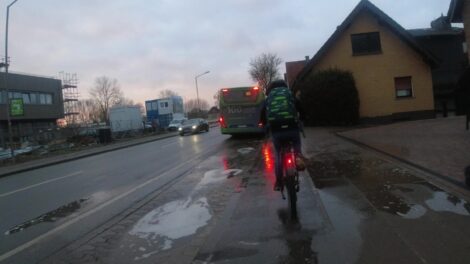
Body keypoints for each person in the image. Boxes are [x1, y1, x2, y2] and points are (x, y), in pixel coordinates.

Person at [261, 79, 306, 191]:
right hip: (291, 126)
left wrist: (264, 125)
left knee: (278, 155)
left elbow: (262, 113)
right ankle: (298, 157)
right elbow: (299, 106)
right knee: (296, 142)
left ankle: (278, 182)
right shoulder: (288, 93)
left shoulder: (269, 97)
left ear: (271, 88)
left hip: (276, 129)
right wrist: (303, 118)